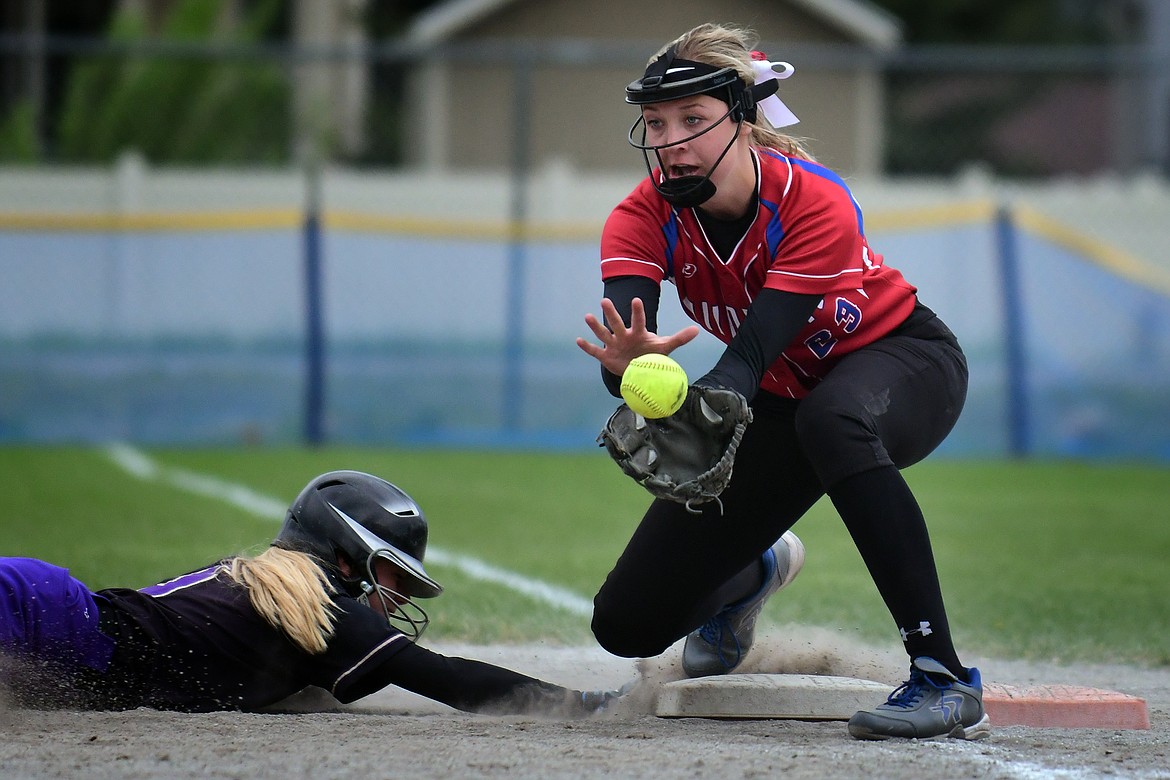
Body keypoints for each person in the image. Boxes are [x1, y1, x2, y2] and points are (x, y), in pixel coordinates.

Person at [576, 22, 988, 741]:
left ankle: (942, 677)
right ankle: (751, 574)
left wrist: (701, 396)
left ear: (744, 122)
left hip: (903, 365)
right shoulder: (640, 218)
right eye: (657, 123)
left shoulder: (812, 200)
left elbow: (747, 358)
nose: (672, 140)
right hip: (784, 401)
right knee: (626, 622)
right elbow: (632, 350)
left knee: (832, 420)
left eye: (694, 120)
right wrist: (628, 367)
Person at [0, 470, 621, 716]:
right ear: (345, 556)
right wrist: (585, 703)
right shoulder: (322, 604)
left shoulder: (273, 589)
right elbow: (450, 679)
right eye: (392, 573)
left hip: (52, 615)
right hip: (49, 618)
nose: (397, 595)